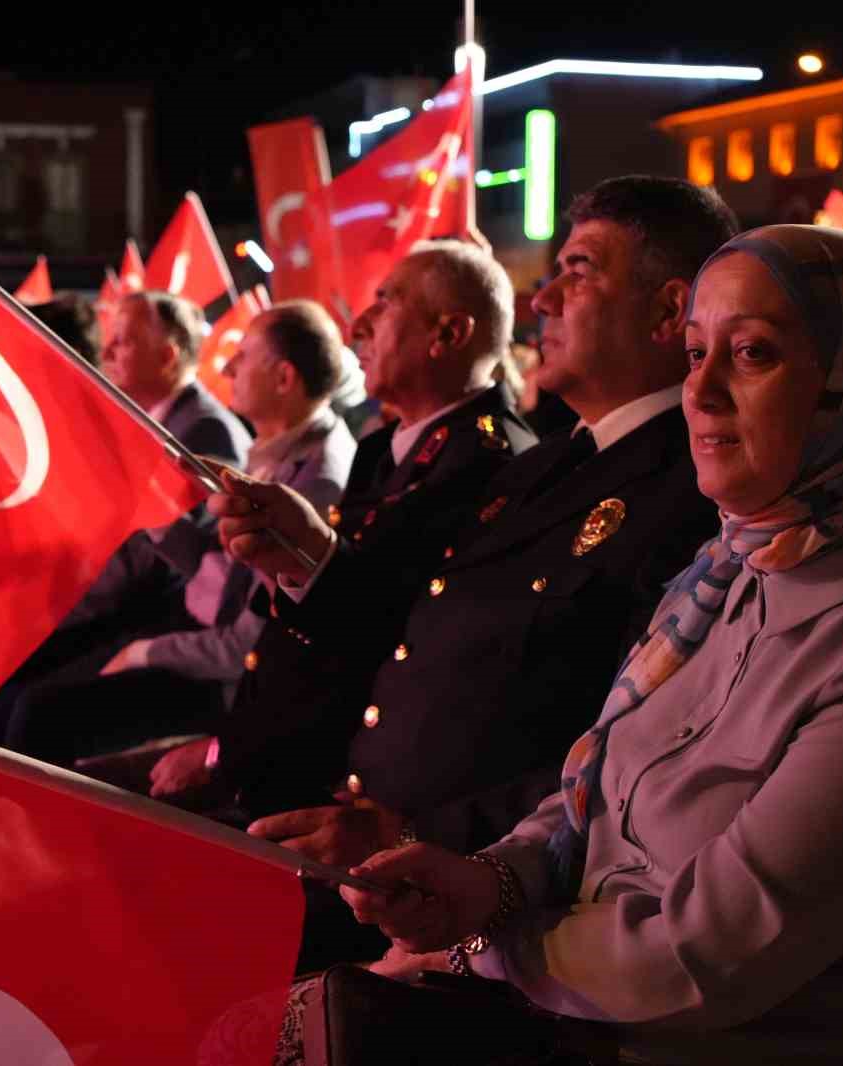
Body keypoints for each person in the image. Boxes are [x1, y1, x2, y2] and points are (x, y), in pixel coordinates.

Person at [338, 225, 843, 1065]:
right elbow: (602, 781)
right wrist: (491, 880)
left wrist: (480, 946)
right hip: (580, 1014)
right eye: (696, 351)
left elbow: (705, 958)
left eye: (751, 354)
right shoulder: (735, 565)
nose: (698, 391)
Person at [202, 176, 736, 971]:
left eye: (580, 270)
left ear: (669, 314)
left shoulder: (693, 495)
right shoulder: (554, 463)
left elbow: (626, 761)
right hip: (367, 854)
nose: (543, 298)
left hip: (468, 899)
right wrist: (305, 560)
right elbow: (415, 628)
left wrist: (417, 835)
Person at [148, 239, 536, 804]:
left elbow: (388, 645)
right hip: (267, 751)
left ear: (449, 335)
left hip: (338, 789)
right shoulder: (385, 446)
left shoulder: (491, 462)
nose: (360, 325)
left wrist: (309, 555)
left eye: (387, 302)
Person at [0, 300, 359, 770]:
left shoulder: (316, 481)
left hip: (229, 682)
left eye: (244, 355)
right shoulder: (276, 449)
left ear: (285, 378)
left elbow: (246, 642)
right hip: (191, 629)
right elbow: (217, 570)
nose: (227, 367)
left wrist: (146, 650)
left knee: (40, 710)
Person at [0, 290, 251, 742]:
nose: (108, 351)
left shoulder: (205, 429)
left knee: (26, 705)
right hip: (115, 598)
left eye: (125, 341)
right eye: (110, 339)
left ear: (168, 355)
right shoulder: (144, 418)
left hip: (154, 615)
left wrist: (62, 596)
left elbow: (178, 559)